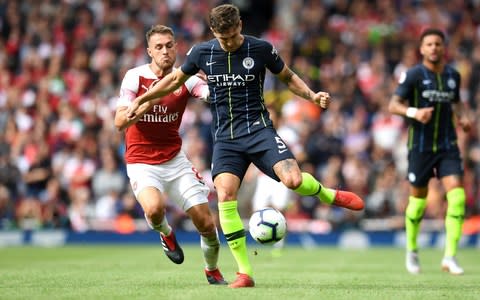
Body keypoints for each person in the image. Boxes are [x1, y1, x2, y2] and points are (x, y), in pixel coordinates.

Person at [126, 4, 364, 288]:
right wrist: (142, 100)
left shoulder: (261, 49)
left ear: (240, 25)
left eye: (232, 35)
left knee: (293, 179)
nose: (228, 42)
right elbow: (175, 80)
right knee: (225, 196)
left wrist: (312, 96)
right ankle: (244, 272)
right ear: (214, 31)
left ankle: (328, 195)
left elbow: (287, 77)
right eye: (222, 37)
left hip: (259, 131)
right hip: (226, 139)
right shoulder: (202, 52)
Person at [114, 24, 226, 285]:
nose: (165, 51)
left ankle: (212, 270)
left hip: (174, 160)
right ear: (149, 52)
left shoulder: (186, 79)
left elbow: (208, 94)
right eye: (159, 47)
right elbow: (120, 122)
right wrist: (149, 100)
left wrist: (219, 85)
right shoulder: (135, 77)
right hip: (141, 161)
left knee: (207, 224)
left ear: (176, 47)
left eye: (169, 45)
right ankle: (166, 233)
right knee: (154, 210)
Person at [388, 28, 472, 275]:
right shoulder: (413, 75)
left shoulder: (453, 76)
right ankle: (412, 251)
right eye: (429, 44)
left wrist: (463, 117)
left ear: (443, 47)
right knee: (417, 204)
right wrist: (414, 113)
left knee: (457, 198)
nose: (434, 48)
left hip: (448, 146)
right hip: (420, 147)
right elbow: (393, 105)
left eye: (438, 44)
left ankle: (450, 257)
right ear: (422, 49)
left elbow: (456, 102)